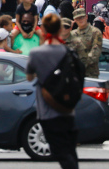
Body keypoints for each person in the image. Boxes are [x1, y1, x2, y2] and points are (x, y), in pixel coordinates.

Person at [26, 12, 79, 169]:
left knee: (61, 152)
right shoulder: (68, 51)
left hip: (47, 109)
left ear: (44, 30)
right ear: (59, 29)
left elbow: (29, 77)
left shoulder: (36, 53)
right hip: (68, 107)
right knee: (70, 150)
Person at [71, 7, 102, 78]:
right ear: (75, 20)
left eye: (82, 17)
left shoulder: (95, 32)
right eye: (78, 18)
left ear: (86, 17)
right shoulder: (72, 34)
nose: (80, 20)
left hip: (90, 74)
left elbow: (95, 53)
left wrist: (81, 65)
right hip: (75, 74)